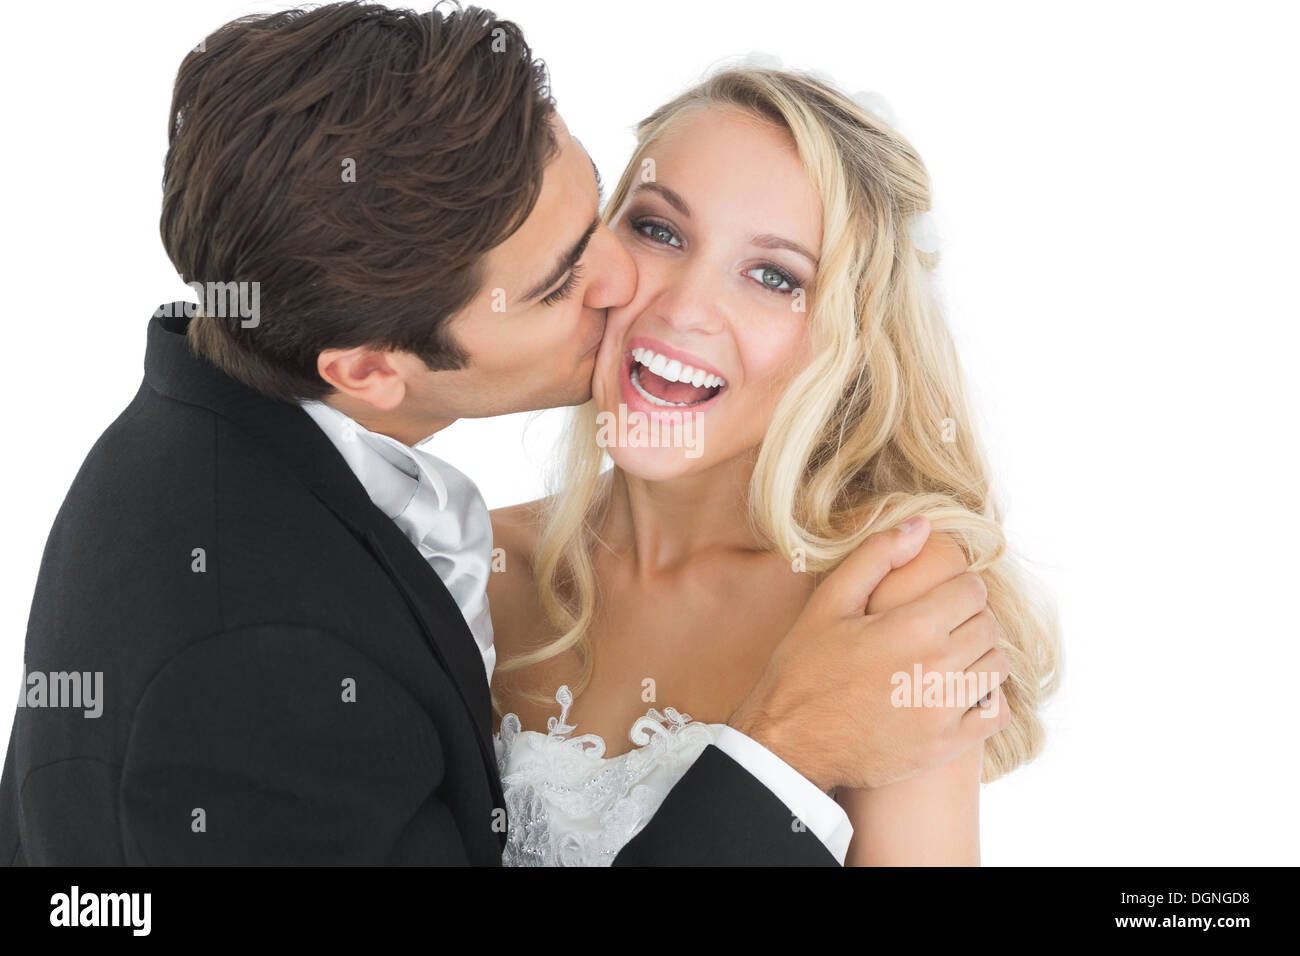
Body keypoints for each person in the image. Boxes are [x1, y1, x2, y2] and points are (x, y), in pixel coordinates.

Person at [0, 2, 1009, 866]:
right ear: (367, 370)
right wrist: (786, 746)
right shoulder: (323, 626)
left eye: (776, 274)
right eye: (631, 240)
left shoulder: (881, 602)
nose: (637, 290)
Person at [488, 66, 1061, 866]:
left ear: (848, 345)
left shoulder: (878, 597)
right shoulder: (468, 563)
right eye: (659, 231)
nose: (684, 308)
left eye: (774, 277)